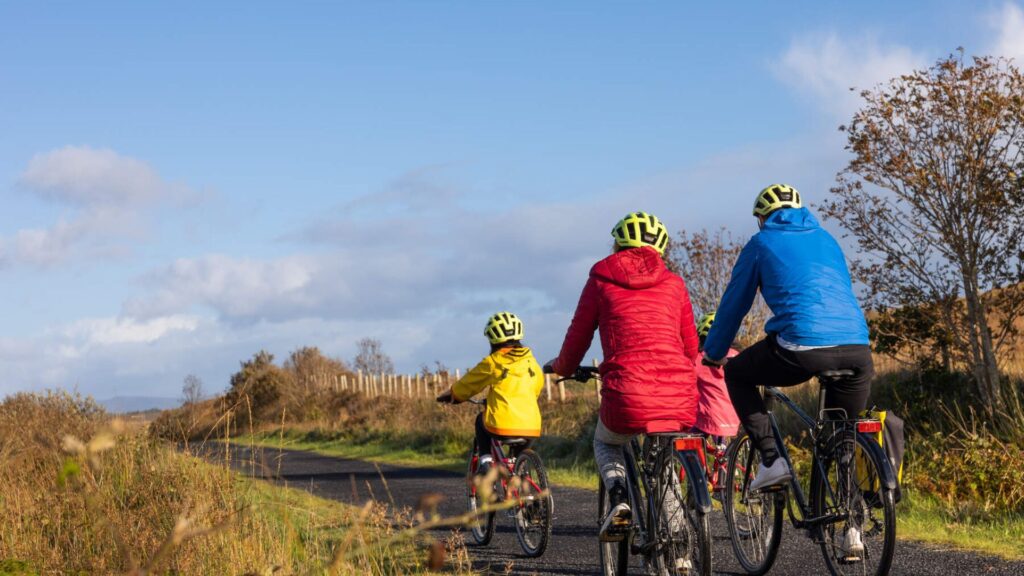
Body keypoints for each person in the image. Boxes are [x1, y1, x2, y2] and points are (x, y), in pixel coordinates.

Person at [702, 184, 873, 555]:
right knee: (841, 436)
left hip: (802, 348)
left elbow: (734, 304)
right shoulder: (827, 239)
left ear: (762, 218)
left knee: (738, 373)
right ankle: (852, 530)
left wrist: (714, 352)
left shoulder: (760, 244)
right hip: (858, 349)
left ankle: (770, 458)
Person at [548, 211, 700, 542]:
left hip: (627, 394)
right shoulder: (675, 284)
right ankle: (679, 544)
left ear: (617, 244)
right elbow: (691, 349)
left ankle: (618, 496)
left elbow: (577, 341)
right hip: (680, 395)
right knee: (665, 458)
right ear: (660, 248)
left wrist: (560, 367)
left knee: (606, 441)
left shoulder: (601, 281)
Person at [437, 312, 545, 472]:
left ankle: (485, 461)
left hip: (502, 426)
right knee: (517, 466)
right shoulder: (532, 362)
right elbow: (536, 388)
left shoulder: (493, 362)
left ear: (492, 340)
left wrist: (454, 395)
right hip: (532, 427)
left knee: (481, 421)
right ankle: (523, 489)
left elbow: (469, 383)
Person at [693, 312, 740, 442]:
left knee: (688, 444)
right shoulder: (737, 355)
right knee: (723, 454)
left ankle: (693, 461)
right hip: (734, 417)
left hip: (709, 418)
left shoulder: (699, 358)